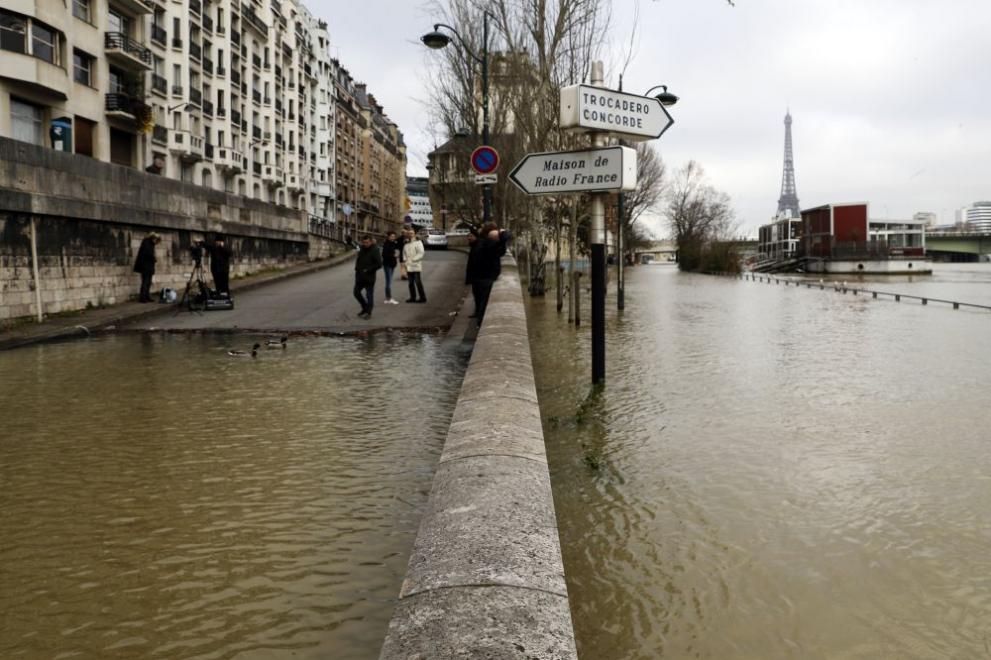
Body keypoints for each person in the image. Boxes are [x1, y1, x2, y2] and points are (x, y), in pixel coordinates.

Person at [473, 223, 512, 323]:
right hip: (486, 277)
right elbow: (506, 236)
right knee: (484, 302)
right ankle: (480, 322)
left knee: (483, 302)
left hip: (483, 276)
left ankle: (479, 321)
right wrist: (502, 234)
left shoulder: (484, 243)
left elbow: (501, 252)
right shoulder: (487, 243)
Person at [353, 235, 382, 318]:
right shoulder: (362, 249)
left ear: (371, 242)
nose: (366, 244)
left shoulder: (375, 250)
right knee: (356, 293)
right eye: (364, 242)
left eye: (367, 242)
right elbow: (359, 260)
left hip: (369, 277)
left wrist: (368, 270)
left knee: (369, 295)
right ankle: (365, 308)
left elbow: (379, 264)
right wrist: (357, 270)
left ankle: (368, 313)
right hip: (359, 276)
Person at [133, 232, 161, 303]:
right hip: (145, 266)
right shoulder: (146, 243)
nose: (156, 241)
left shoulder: (151, 244)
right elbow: (147, 254)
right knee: (145, 282)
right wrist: (154, 258)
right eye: (155, 239)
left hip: (149, 266)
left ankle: (147, 296)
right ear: (152, 238)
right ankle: (143, 298)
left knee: (148, 282)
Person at [402, 227, 426, 303]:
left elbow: (421, 253)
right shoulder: (406, 244)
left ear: (414, 234)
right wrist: (405, 260)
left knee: (418, 282)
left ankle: (423, 298)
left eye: (412, 233)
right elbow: (404, 253)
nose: (410, 235)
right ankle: (413, 297)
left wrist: (413, 260)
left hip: (415, 265)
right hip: (408, 266)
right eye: (409, 233)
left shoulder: (418, 242)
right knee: (410, 283)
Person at [380, 230, 402, 304]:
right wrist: (393, 255)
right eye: (391, 236)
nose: (393, 238)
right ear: (388, 237)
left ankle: (387, 298)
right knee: (388, 282)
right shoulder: (387, 244)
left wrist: (396, 255)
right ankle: (389, 298)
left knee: (389, 281)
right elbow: (384, 255)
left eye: (394, 237)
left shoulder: (393, 243)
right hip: (387, 265)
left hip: (392, 265)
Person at [465, 230, 481, 317]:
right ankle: (477, 311)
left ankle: (478, 312)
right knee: (476, 295)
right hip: (475, 276)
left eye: (471, 236)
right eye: (468, 236)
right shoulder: (474, 246)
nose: (469, 238)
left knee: (478, 295)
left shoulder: (477, 246)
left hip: (478, 276)